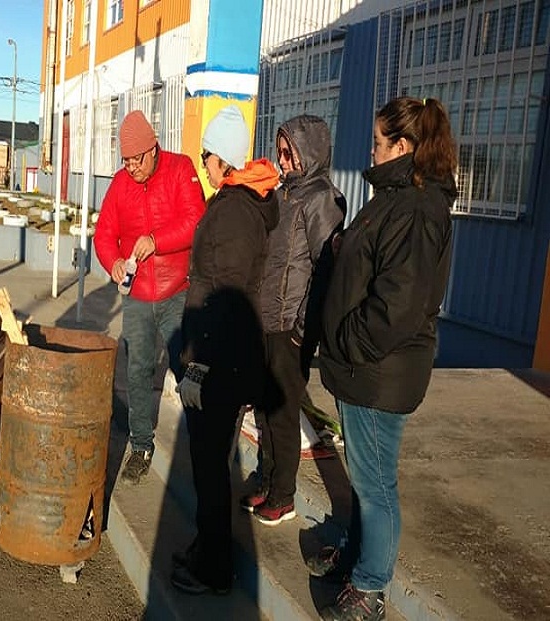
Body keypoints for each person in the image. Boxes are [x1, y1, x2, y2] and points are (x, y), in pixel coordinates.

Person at [313, 97, 457, 621]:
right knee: (365, 477)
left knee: (376, 487)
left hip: (378, 370)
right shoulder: (396, 198)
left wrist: (347, 339)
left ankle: (371, 587)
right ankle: (357, 561)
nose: (369, 148)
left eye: (378, 141)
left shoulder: (418, 209)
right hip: (364, 368)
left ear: (403, 146)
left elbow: (398, 304)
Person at [170, 105, 279, 594]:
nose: (203, 164)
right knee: (207, 464)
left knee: (211, 468)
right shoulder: (235, 201)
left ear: (224, 159)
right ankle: (206, 547)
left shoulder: (236, 210)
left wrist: (200, 366)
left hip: (222, 363)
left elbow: (227, 293)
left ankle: (213, 569)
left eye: (207, 155)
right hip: (222, 358)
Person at [241, 115, 345, 524]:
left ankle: (283, 495)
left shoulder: (322, 198)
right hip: (268, 320)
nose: (283, 161)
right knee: (265, 409)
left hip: (291, 327)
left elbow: (326, 270)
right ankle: (267, 480)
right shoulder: (284, 195)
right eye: (280, 151)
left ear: (309, 154)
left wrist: (305, 329)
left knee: (283, 415)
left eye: (290, 153)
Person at [93, 110, 205, 483]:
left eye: (136, 160)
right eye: (124, 161)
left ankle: (201, 446)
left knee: (184, 368)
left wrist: (156, 242)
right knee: (138, 370)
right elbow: (104, 234)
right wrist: (112, 263)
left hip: (176, 290)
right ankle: (142, 445)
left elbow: (195, 220)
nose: (131, 168)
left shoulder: (179, 169)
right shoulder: (120, 184)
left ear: (153, 148)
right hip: (137, 295)